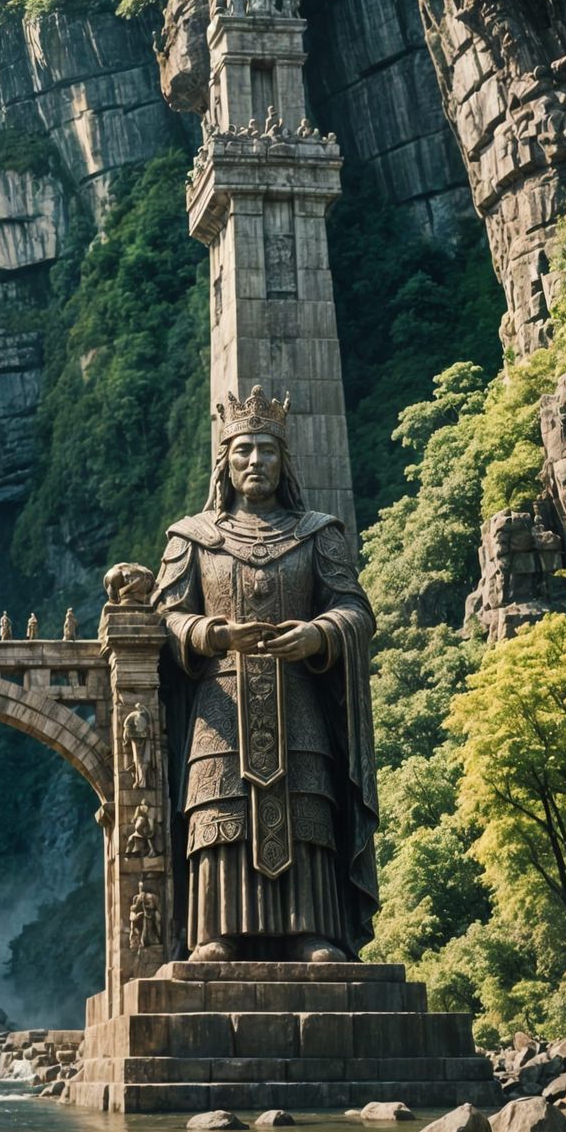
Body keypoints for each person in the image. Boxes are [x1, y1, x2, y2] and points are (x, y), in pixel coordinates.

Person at [152, 387, 378, 963]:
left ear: (285, 461)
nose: (256, 461)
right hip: (219, 705)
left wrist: (320, 633)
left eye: (267, 451)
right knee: (218, 812)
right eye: (244, 450)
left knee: (308, 811)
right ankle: (216, 933)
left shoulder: (317, 533)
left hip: (298, 697)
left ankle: (314, 931)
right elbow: (165, 617)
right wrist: (209, 635)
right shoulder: (192, 539)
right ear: (225, 463)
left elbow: (355, 609)